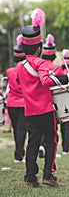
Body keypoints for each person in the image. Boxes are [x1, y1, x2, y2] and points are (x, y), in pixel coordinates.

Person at [17, 8, 69, 187]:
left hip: (29, 111)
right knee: (51, 141)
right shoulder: (40, 62)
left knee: (33, 143)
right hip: (45, 109)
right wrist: (68, 78)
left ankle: (30, 177)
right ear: (39, 47)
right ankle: (48, 175)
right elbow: (46, 80)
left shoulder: (21, 66)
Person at [6, 34, 27, 163]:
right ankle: (19, 154)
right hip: (24, 103)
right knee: (22, 129)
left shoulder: (9, 71)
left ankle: (18, 153)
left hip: (12, 103)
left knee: (16, 129)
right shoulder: (26, 70)